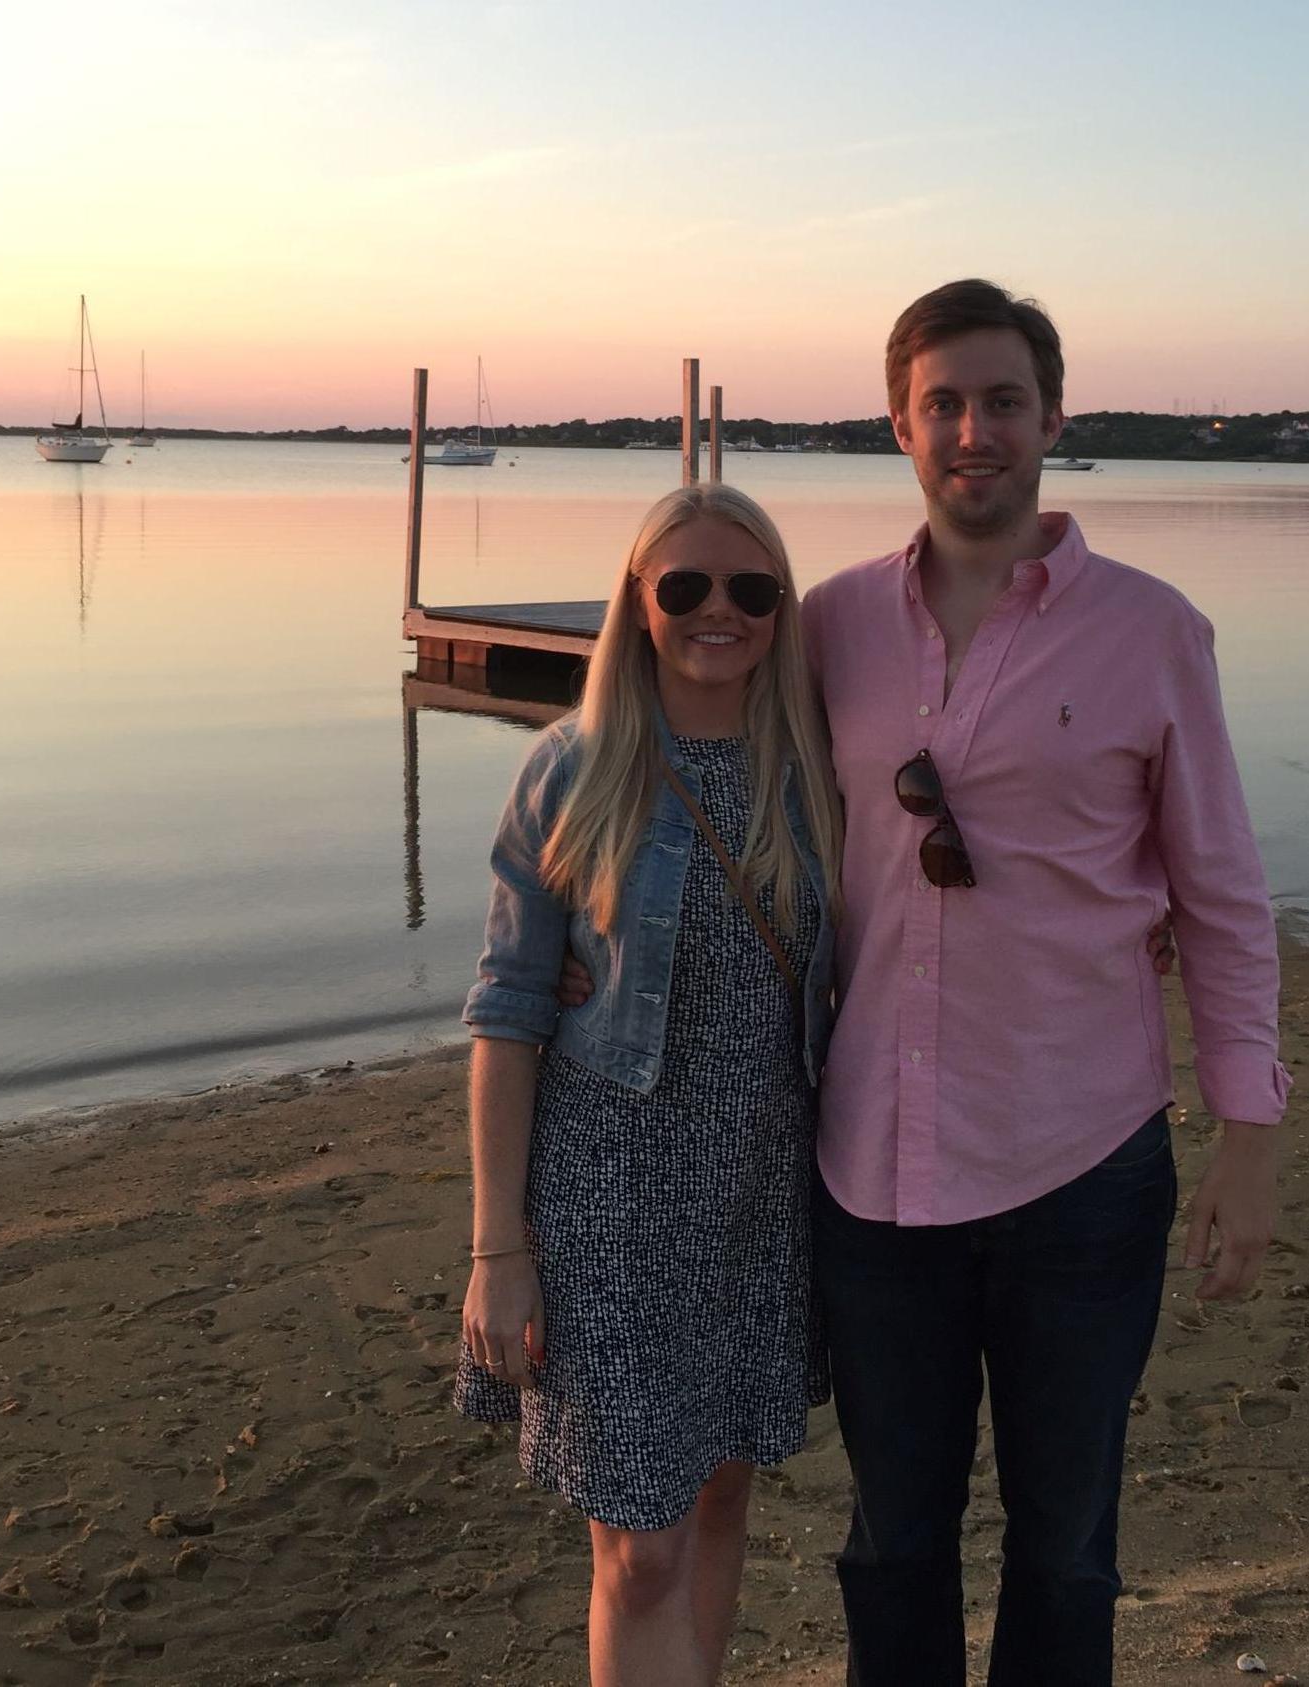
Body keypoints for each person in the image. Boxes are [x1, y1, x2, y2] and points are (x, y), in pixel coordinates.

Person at [800, 279, 1290, 1685]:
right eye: (943, 403)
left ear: (1052, 418)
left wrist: (1247, 1135)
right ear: (898, 425)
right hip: (872, 1168)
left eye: (1002, 400)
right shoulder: (828, 626)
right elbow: (740, 817)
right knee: (890, 1542)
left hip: (1082, 1165)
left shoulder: (1152, 630)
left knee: (1066, 1546)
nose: (974, 430)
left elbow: (1219, 893)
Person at [454, 483, 842, 1687]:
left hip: (762, 1195)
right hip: (610, 1205)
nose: (719, 610)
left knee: (721, 1497)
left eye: (750, 588)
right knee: (640, 1549)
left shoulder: (813, 766)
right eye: (685, 585)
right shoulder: (572, 768)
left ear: (780, 607)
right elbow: (508, 1014)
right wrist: (496, 1247)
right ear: (638, 600)